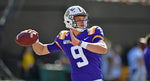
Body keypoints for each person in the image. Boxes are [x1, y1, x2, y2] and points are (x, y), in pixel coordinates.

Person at [20, 5, 107, 81]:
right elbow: (41, 50)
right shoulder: (63, 36)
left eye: (83, 18)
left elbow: (103, 49)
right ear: (69, 20)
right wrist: (35, 41)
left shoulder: (93, 31)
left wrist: (80, 43)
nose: (82, 21)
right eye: (78, 19)